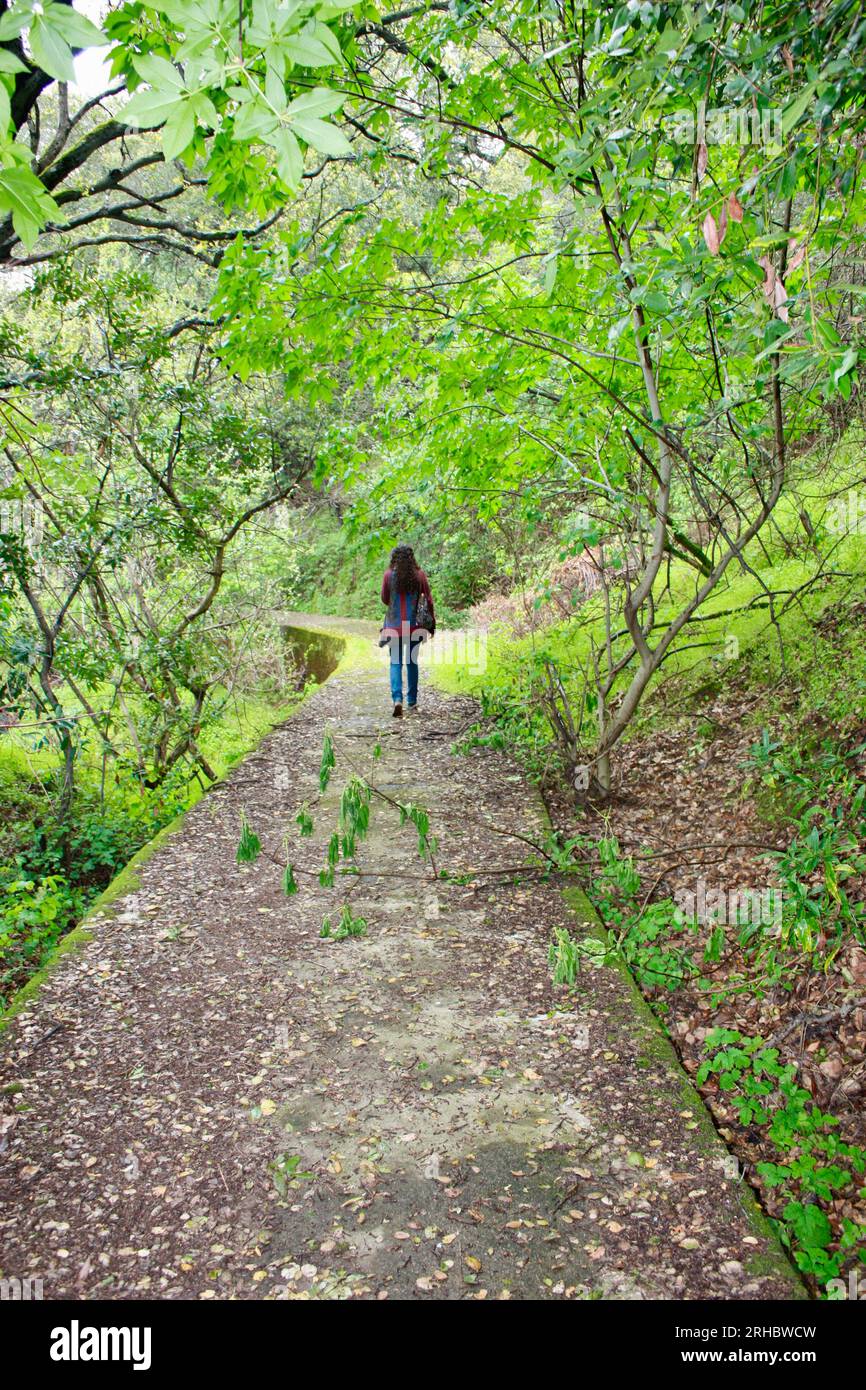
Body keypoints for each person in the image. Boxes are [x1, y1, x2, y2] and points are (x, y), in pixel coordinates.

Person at [380, 544, 435, 717]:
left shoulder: (389, 575)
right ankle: (412, 701)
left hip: (394, 626)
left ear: (394, 558)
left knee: (395, 662)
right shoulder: (419, 575)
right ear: (412, 558)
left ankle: (397, 699)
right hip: (413, 627)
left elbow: (384, 598)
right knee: (412, 662)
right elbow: (429, 601)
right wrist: (431, 623)